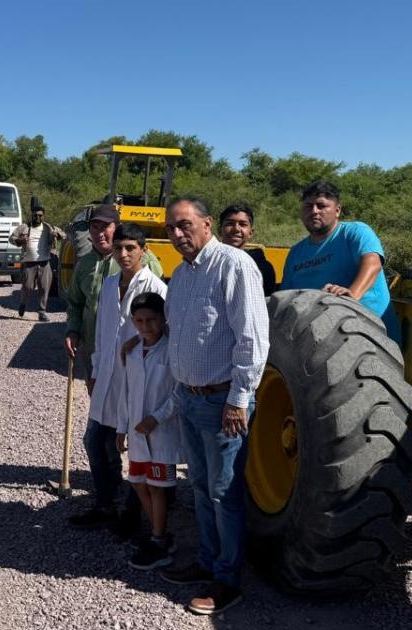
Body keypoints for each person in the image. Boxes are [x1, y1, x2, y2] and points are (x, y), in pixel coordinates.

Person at [156, 197, 268, 615]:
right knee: (200, 487)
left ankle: (227, 579)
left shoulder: (234, 265)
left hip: (223, 403)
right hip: (190, 397)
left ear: (206, 224)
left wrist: (239, 400)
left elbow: (253, 338)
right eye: (171, 228)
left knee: (223, 492)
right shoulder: (182, 275)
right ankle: (206, 559)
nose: (178, 234)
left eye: (185, 225)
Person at [71, 223, 166, 531]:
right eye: (118, 249)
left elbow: (163, 333)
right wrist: (96, 372)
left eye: (130, 249)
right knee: (95, 440)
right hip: (108, 376)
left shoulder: (155, 288)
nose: (123, 255)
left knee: (137, 446)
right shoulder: (110, 284)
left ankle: (134, 513)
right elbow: (101, 331)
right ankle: (105, 502)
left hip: (138, 380)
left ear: (144, 250)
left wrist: (137, 341)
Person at [281, 180, 399, 339]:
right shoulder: (296, 253)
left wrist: (351, 296)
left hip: (368, 336)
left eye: (321, 206)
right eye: (309, 206)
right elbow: (287, 296)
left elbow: (373, 263)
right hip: (318, 341)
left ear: (337, 210)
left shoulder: (355, 232)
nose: (314, 211)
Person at [63, 204, 163, 390]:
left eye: (105, 227)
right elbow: (75, 303)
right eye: (95, 227)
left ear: (116, 227)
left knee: (130, 404)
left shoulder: (143, 260)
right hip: (95, 348)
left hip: (132, 348)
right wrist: (73, 330)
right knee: (98, 399)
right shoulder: (84, 264)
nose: (100, 233)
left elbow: (158, 302)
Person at [114, 292, 180, 571]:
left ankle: (159, 540)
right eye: (139, 321)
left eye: (151, 320)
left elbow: (179, 392)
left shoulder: (171, 350)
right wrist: (121, 428)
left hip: (161, 432)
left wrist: (157, 418)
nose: (145, 326)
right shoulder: (132, 350)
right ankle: (159, 532)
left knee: (157, 487)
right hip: (136, 432)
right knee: (139, 482)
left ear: (163, 318)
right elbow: (125, 393)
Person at [9, 201, 64, 321]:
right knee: (27, 287)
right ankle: (23, 303)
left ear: (43, 216)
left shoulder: (49, 227)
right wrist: (21, 240)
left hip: (45, 262)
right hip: (29, 263)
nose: (38, 217)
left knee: (44, 288)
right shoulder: (24, 227)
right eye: (35, 215)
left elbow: (63, 235)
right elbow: (11, 238)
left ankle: (42, 311)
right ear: (32, 215)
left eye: (40, 215)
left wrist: (57, 235)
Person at [218, 203, 277, 296]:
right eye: (230, 223)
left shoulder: (263, 268)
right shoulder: (207, 264)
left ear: (250, 232)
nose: (236, 229)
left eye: (242, 224)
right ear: (219, 231)